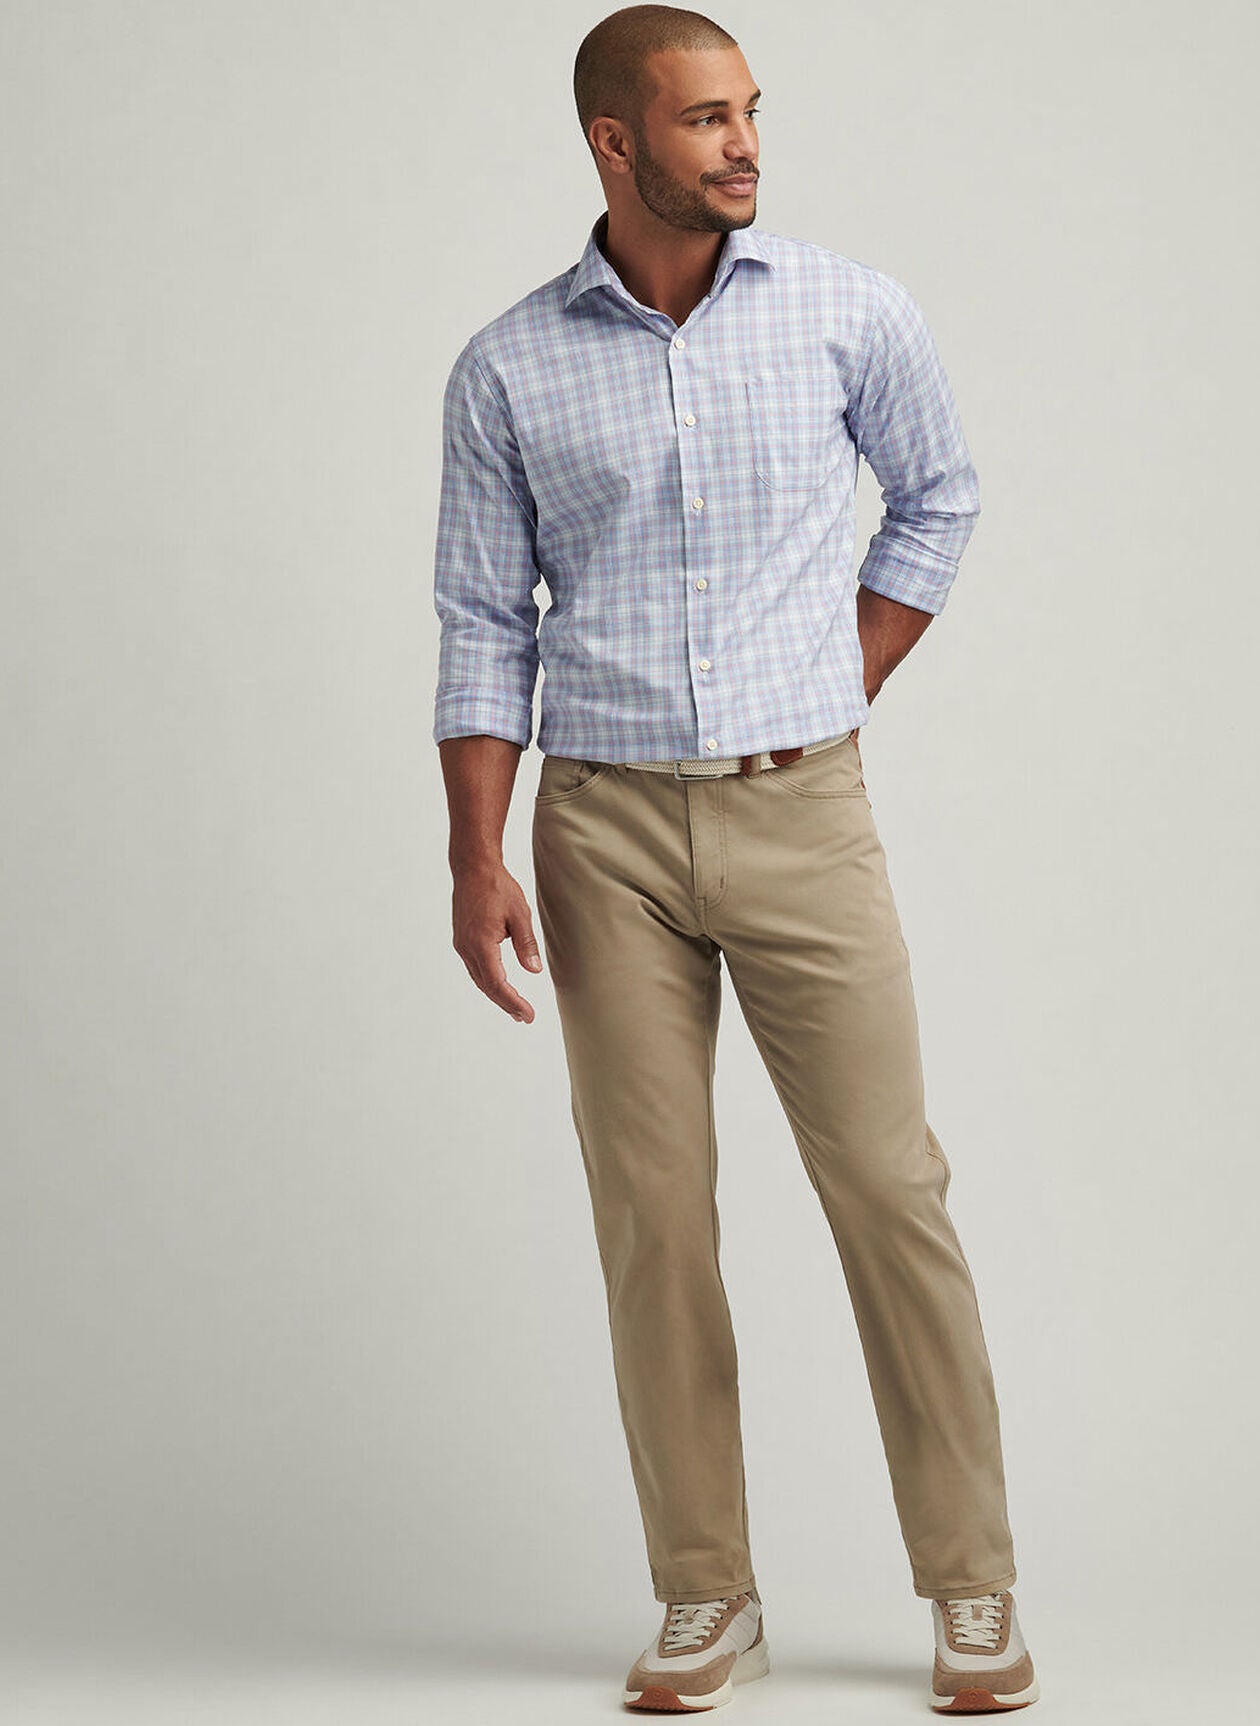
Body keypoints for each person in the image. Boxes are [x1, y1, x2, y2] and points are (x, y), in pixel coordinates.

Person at [432, 4, 1040, 1713]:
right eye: (706, 119)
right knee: (654, 1217)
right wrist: (476, 852)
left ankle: (974, 1583)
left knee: (890, 1188)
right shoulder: (507, 367)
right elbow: (481, 618)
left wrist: (838, 677)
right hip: (602, 830)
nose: (746, 143)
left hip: (801, 813)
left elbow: (941, 495)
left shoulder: (851, 309)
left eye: (751, 111)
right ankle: (708, 1592)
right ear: (614, 142)